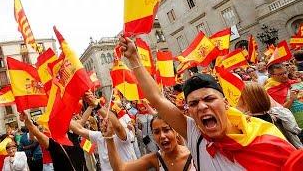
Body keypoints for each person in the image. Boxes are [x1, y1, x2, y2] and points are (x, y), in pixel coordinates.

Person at [119, 36, 299, 170]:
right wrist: (134, 58)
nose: (202, 106)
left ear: (226, 102)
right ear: (188, 110)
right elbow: (157, 99)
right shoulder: (196, 134)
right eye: (194, 103)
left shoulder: (265, 139)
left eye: (209, 99)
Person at [69, 91, 137, 171]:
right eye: (101, 120)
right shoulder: (99, 136)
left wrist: (97, 106)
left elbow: (118, 127)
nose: (103, 122)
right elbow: (79, 129)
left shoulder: (123, 135)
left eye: (106, 120)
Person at [103, 115, 196, 171]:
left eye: (166, 130)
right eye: (156, 132)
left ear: (176, 132)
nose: (162, 136)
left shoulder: (194, 154)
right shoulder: (155, 159)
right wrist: (109, 138)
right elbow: (120, 168)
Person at [237, 82, 303, 148]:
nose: (235, 100)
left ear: (245, 101)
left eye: (237, 97)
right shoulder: (279, 112)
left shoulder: (248, 124)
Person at [19, 112, 88, 171]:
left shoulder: (73, 136)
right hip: (48, 165)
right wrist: (27, 120)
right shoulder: (52, 142)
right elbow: (36, 133)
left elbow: (82, 122)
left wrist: (92, 106)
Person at [265, 63, 303, 128]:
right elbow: (279, 112)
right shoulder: (270, 91)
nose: (285, 76)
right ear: (271, 75)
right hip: (295, 127)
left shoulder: (296, 82)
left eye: (285, 72)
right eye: (280, 74)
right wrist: (291, 100)